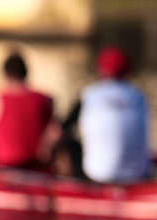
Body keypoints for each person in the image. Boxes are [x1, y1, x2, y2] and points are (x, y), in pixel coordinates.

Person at [64, 46, 151, 183]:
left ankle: (75, 184)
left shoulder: (88, 94)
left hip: (97, 176)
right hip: (138, 175)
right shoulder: (139, 96)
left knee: (68, 139)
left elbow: (62, 128)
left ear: (100, 71)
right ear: (128, 72)